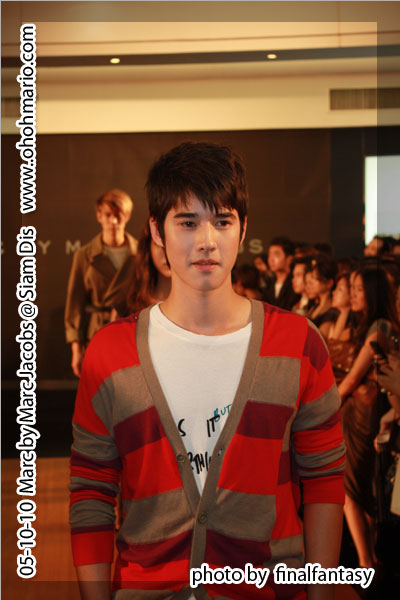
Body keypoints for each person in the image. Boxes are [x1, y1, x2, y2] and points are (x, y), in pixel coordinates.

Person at [69, 142, 345, 600]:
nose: (206, 241)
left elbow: (324, 481)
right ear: (156, 231)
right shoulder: (110, 353)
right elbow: (91, 491)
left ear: (242, 228)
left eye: (222, 221)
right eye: (187, 222)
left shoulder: (298, 343)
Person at [336, 266, 400, 570]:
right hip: (372, 411)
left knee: (350, 486)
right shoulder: (372, 325)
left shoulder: (379, 327)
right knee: (360, 485)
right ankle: (368, 557)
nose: (353, 295)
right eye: (351, 288)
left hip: (364, 412)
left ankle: (365, 562)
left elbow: (351, 379)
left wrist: (320, 409)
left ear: (373, 293)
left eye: (359, 289)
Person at [64, 189, 137, 377]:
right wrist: (76, 350)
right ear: (99, 216)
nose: (114, 221)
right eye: (108, 215)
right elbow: (75, 305)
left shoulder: (141, 254)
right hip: (97, 333)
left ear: (127, 216)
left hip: (131, 335)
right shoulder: (84, 255)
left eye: (119, 215)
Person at [110, 222, 171, 320]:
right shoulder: (126, 308)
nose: (167, 254)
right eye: (159, 244)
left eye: (172, 244)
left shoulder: (196, 306)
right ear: (148, 247)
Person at [262, 236, 300, 310]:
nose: (271, 259)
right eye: (270, 255)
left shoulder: (295, 283)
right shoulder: (269, 283)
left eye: (276, 254)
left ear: (289, 258)